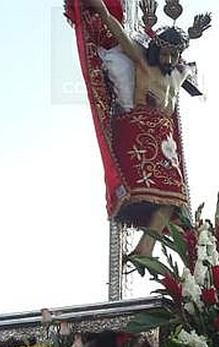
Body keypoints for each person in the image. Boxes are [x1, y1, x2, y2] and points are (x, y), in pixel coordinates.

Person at [71, 0, 211, 256]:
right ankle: (169, 251)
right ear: (156, 50)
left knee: (174, 201)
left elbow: (192, 79)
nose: (168, 59)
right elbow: (119, 33)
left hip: (165, 144)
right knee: (171, 195)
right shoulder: (143, 65)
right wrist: (101, 8)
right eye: (165, 53)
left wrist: (191, 35)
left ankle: (148, 249)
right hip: (141, 135)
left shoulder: (178, 76)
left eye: (174, 55)